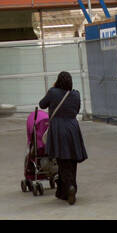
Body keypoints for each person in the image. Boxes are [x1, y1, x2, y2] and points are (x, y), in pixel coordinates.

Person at [38, 71, 87, 204]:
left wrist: (53, 90)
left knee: (62, 160)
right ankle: (64, 190)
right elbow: (76, 110)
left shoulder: (53, 92)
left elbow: (42, 104)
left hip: (59, 128)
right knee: (72, 160)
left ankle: (69, 187)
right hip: (73, 127)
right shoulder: (76, 94)